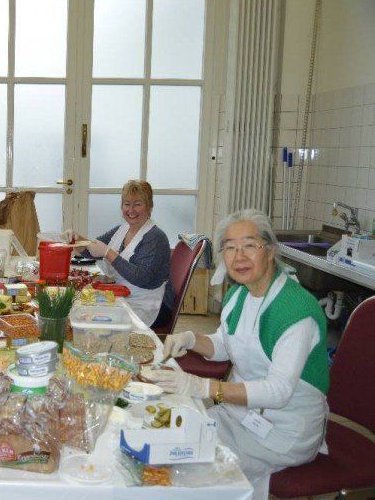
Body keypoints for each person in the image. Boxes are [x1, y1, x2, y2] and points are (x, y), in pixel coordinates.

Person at [150, 209, 329, 500]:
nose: (239, 256)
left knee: (188, 474)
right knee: (168, 441)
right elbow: (226, 344)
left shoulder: (296, 311)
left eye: (249, 245)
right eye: (230, 248)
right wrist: (191, 339)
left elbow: (278, 392)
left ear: (270, 251)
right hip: (239, 414)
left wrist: (203, 387)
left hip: (282, 430)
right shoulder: (239, 294)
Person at [75, 180, 173, 327]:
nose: (131, 210)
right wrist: (77, 240)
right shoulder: (121, 229)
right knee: (81, 309)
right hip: (121, 295)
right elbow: (93, 250)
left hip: (147, 303)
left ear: (149, 207)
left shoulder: (156, 237)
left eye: (137, 204)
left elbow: (141, 278)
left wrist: (108, 253)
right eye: (127, 204)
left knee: (97, 321)